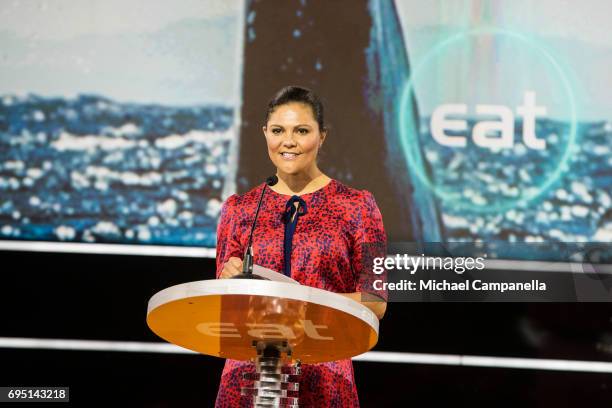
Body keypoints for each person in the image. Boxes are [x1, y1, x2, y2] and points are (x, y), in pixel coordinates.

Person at [215, 85, 387, 407]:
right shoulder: (239, 209)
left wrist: (301, 305)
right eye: (278, 130)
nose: (288, 142)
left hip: (325, 376)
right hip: (247, 380)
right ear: (265, 133)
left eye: (302, 131)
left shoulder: (359, 206)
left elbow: (376, 300)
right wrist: (228, 283)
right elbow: (226, 317)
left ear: (322, 136)